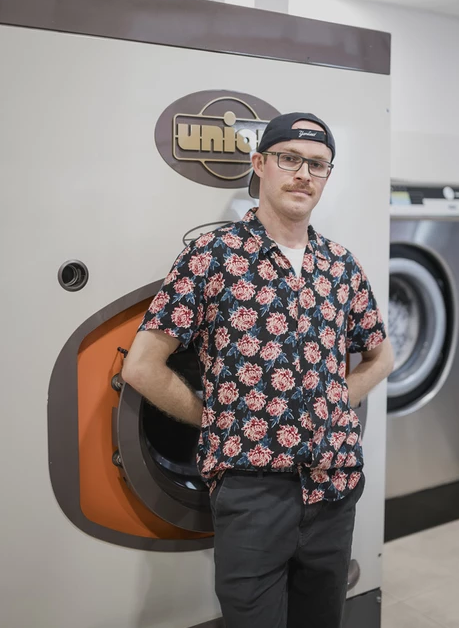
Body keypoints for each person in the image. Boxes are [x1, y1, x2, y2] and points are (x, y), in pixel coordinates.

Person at [122, 112, 394, 628]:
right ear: (259, 164)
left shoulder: (340, 265)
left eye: (317, 164)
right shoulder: (212, 257)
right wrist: (215, 418)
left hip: (333, 489)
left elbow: (382, 357)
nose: (303, 174)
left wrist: (335, 403)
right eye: (289, 159)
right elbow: (141, 366)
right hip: (252, 493)